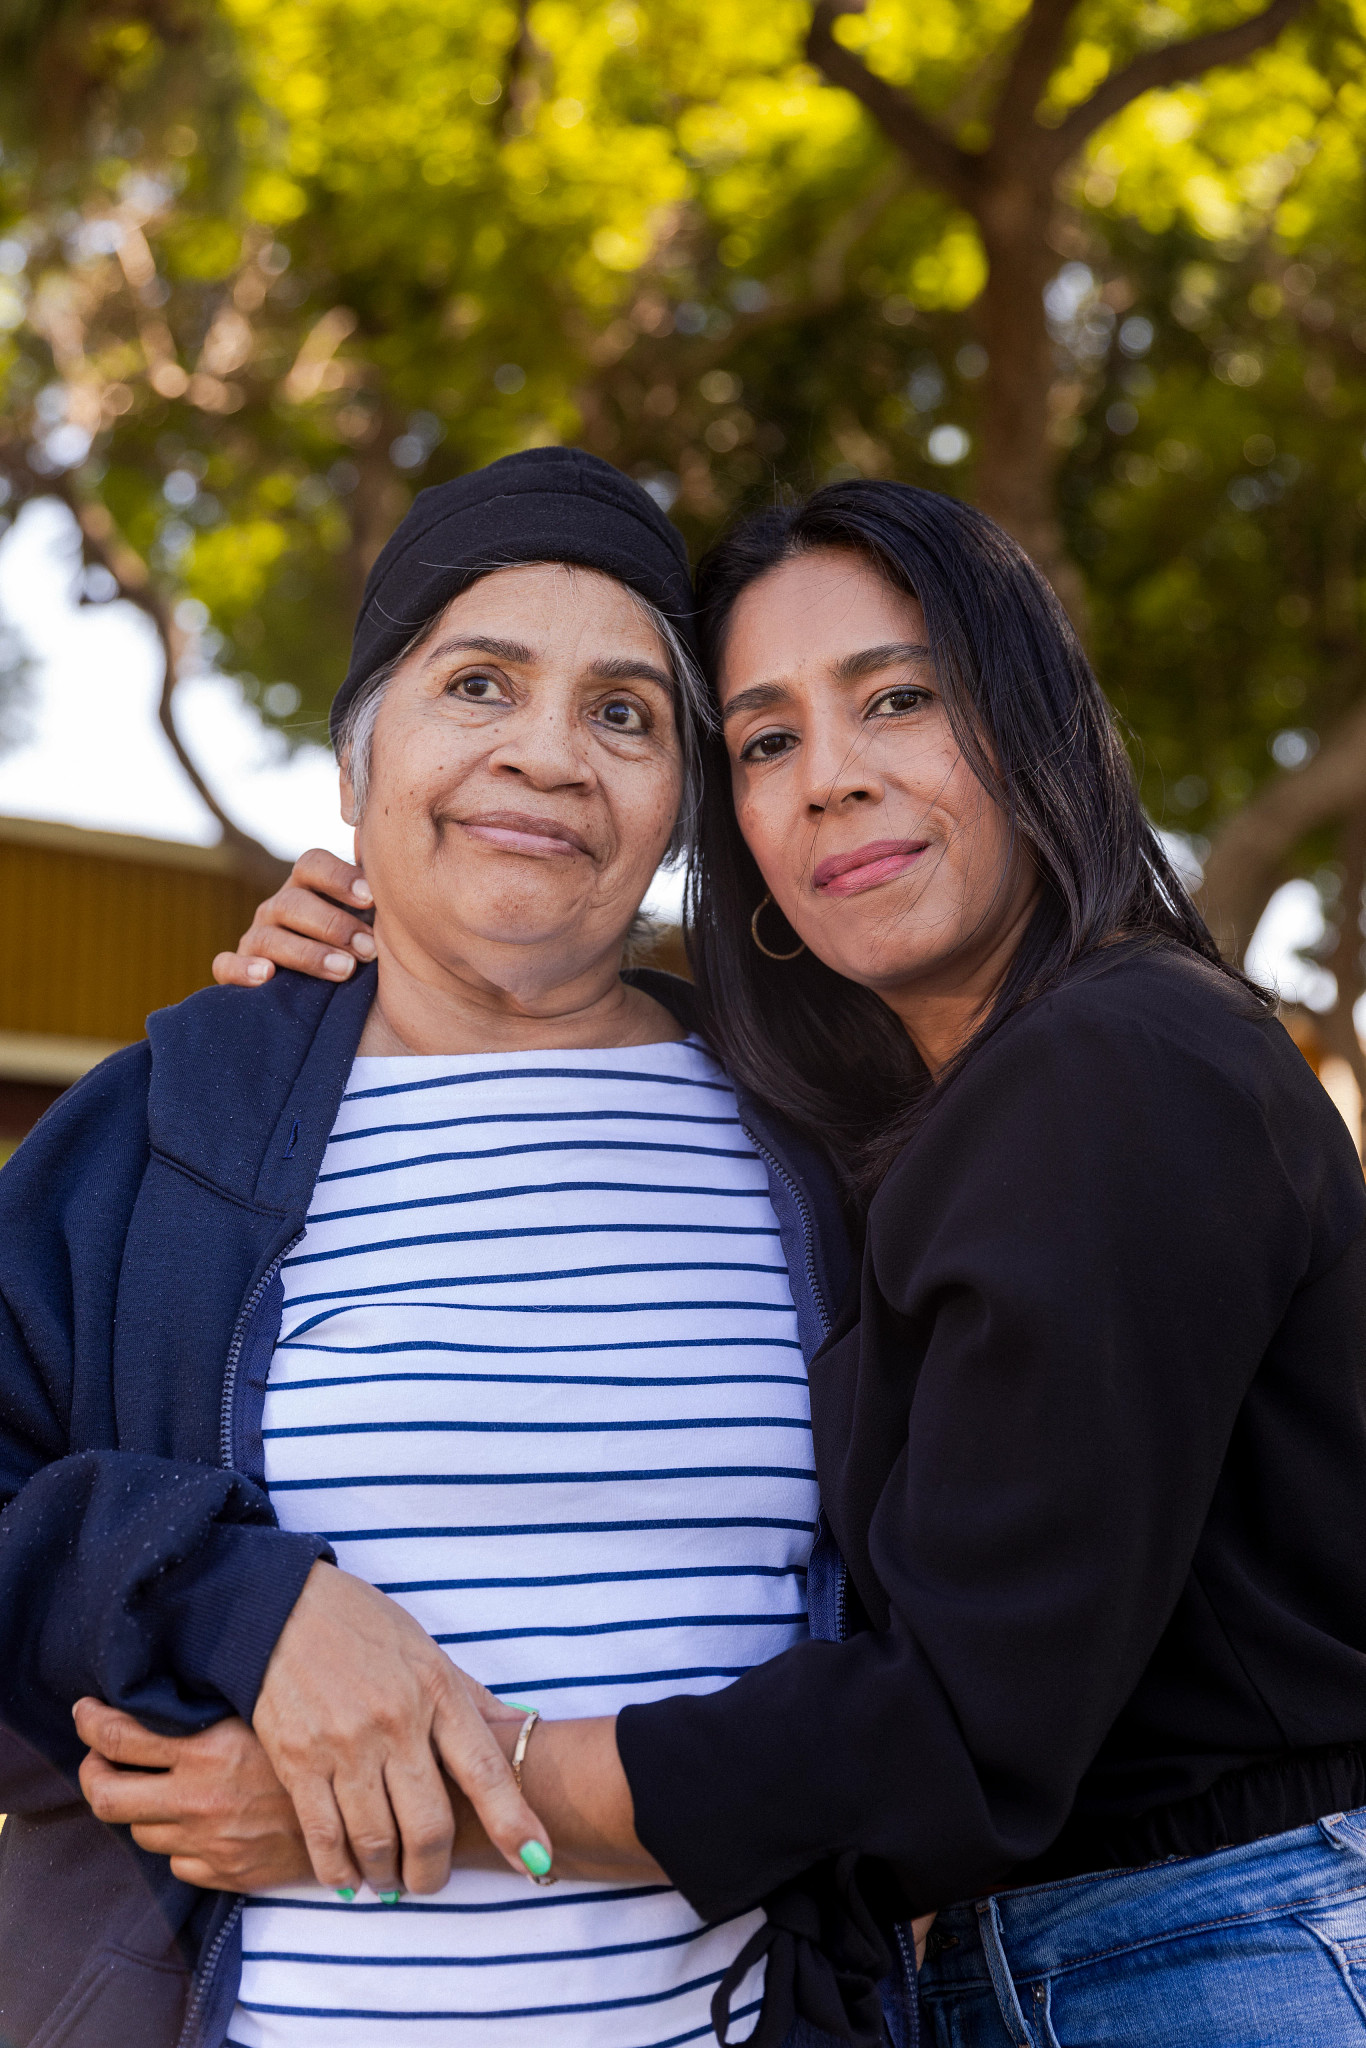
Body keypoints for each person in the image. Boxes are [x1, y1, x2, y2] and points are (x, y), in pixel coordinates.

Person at [216, 477, 1366, 2047]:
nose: (831, 780)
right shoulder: (910, 1120)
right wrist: (388, 951)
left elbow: (952, 1725)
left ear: (1030, 717)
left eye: (897, 699)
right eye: (763, 742)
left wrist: (414, 1788)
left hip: (1213, 1958)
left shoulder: (1108, 1067)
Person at [0, 447, 866, 2048]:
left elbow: (936, 1673)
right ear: (356, 762)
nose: (546, 753)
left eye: (624, 714)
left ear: (681, 807)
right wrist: (234, 1598)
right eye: (478, 684)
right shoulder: (171, 1127)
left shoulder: (821, 1143)